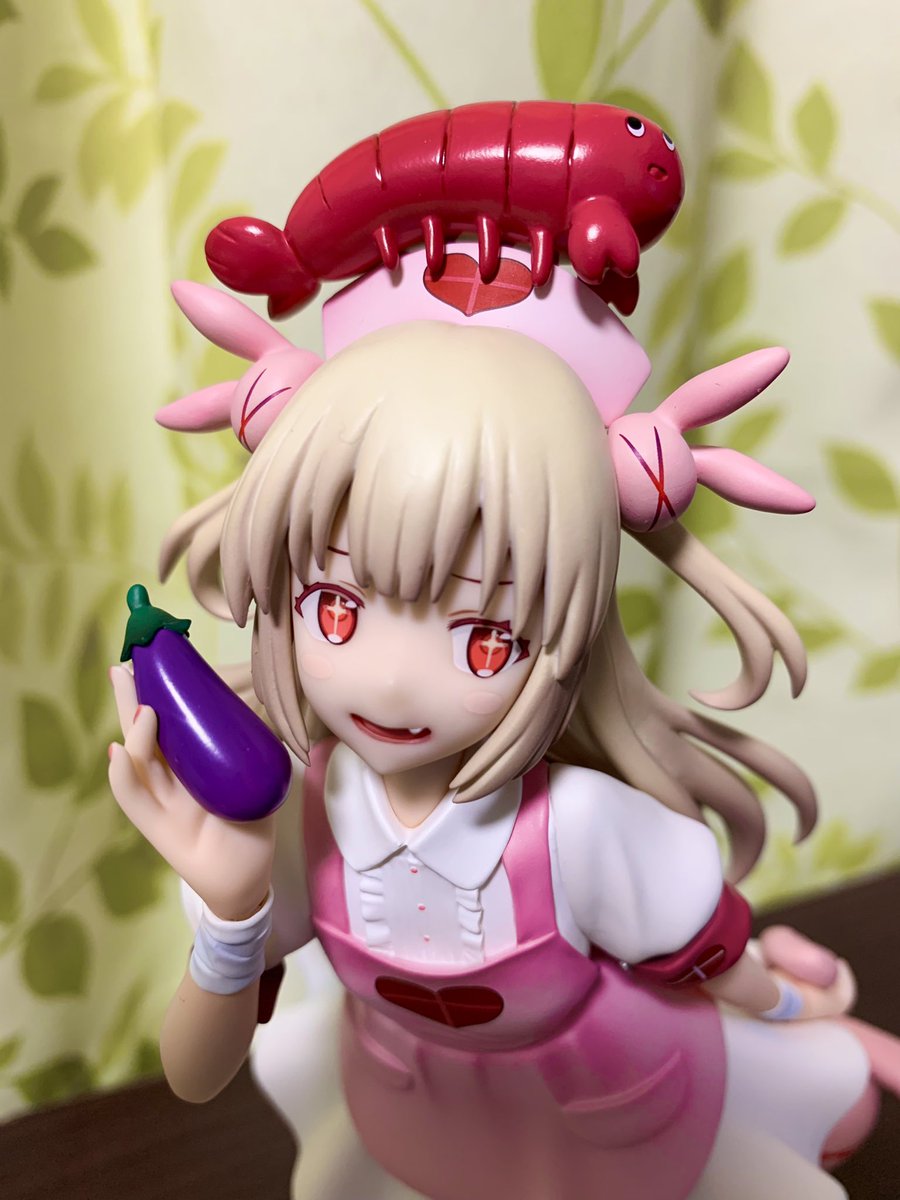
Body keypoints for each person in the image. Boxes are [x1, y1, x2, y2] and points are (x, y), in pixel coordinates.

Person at [107, 238, 889, 1199]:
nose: (391, 683)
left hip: (602, 1102)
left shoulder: (578, 825)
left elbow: (706, 955)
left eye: (482, 637)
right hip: (407, 1098)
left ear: (563, 633)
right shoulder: (301, 818)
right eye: (337, 609)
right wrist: (233, 913)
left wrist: (792, 1010)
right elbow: (195, 1077)